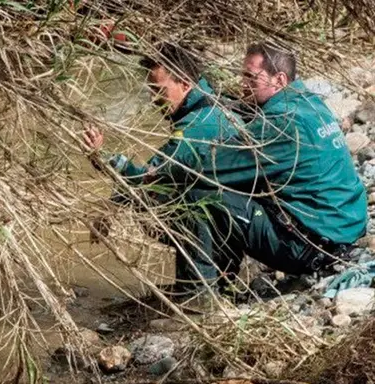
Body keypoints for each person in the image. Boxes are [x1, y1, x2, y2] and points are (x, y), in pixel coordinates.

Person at [90, 42, 367, 293]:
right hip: (341, 231)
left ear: (280, 80)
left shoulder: (280, 124)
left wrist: (110, 162)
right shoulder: (309, 103)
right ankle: (221, 278)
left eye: (251, 77)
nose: (242, 84)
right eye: (242, 75)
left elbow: (201, 167)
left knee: (196, 196)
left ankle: (197, 294)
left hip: (311, 246)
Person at [84, 42, 244, 287]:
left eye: (159, 90)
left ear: (185, 84)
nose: (154, 99)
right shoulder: (210, 101)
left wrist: (101, 157)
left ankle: (197, 290)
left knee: (155, 203)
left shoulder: (195, 129)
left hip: (237, 219)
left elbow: (146, 179)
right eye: (151, 90)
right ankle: (218, 279)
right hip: (240, 212)